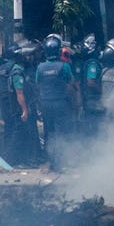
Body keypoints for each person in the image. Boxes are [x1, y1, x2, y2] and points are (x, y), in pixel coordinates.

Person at [35, 35, 74, 171]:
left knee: (48, 133)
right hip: (61, 103)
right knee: (62, 132)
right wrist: (75, 102)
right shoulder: (64, 67)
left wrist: (39, 105)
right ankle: (62, 162)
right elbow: (70, 87)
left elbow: (38, 87)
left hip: (46, 104)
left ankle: (51, 161)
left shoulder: (40, 68)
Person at [5, 41, 41, 167]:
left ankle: (26, 160)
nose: (28, 58)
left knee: (27, 134)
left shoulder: (21, 70)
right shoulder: (17, 72)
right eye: (26, 56)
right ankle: (13, 161)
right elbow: (19, 93)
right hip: (20, 110)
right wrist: (25, 110)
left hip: (24, 108)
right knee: (20, 135)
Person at [79, 33, 103, 136]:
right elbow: (90, 82)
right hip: (93, 99)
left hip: (89, 99)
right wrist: (103, 91)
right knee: (96, 128)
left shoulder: (88, 62)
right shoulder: (92, 64)